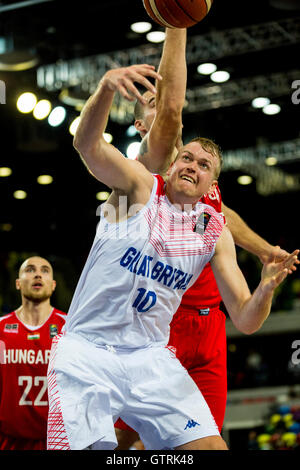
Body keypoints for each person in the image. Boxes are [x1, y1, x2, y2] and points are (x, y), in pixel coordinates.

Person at [46, 38, 299, 450]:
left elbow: (248, 320)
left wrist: (267, 287)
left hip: (149, 357)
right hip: (88, 352)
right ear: (174, 159)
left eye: (203, 166)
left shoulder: (213, 229)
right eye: (188, 157)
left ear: (211, 186)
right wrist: (107, 86)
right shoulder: (137, 187)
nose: (192, 166)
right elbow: (86, 145)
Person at [0, 256, 66, 450]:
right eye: (30, 269)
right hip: (8, 440)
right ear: (18, 283)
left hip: (58, 440)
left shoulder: (69, 328)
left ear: (53, 285)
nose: (38, 273)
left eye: (45, 270)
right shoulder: (1, 329)